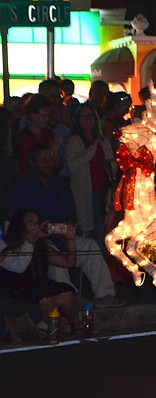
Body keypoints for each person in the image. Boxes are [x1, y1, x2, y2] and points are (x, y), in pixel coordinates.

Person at [3, 144, 126, 308]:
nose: (49, 163)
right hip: (38, 241)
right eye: (43, 160)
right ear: (33, 163)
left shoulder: (60, 183)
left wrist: (69, 225)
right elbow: (13, 222)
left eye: (51, 159)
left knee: (90, 246)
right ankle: (72, 298)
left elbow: (72, 213)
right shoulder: (21, 185)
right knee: (54, 261)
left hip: (62, 235)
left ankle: (106, 295)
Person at [0, 209, 82, 336]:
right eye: (30, 221)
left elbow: (69, 263)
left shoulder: (41, 245)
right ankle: (62, 328)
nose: (35, 225)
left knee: (66, 292)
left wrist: (70, 240)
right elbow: (19, 267)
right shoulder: (7, 245)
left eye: (37, 222)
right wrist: (31, 241)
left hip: (39, 283)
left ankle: (78, 326)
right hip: (16, 287)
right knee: (46, 300)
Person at [63, 102, 116, 248]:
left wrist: (109, 164)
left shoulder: (102, 140)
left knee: (103, 229)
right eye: (83, 116)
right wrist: (90, 151)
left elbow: (113, 165)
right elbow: (72, 165)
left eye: (90, 116)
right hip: (85, 191)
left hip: (103, 193)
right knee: (89, 230)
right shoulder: (74, 141)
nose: (87, 120)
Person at [13, 93, 60, 171]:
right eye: (43, 115)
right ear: (32, 114)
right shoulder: (23, 137)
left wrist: (55, 153)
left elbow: (59, 165)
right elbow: (23, 163)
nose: (46, 119)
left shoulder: (49, 133)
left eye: (48, 115)